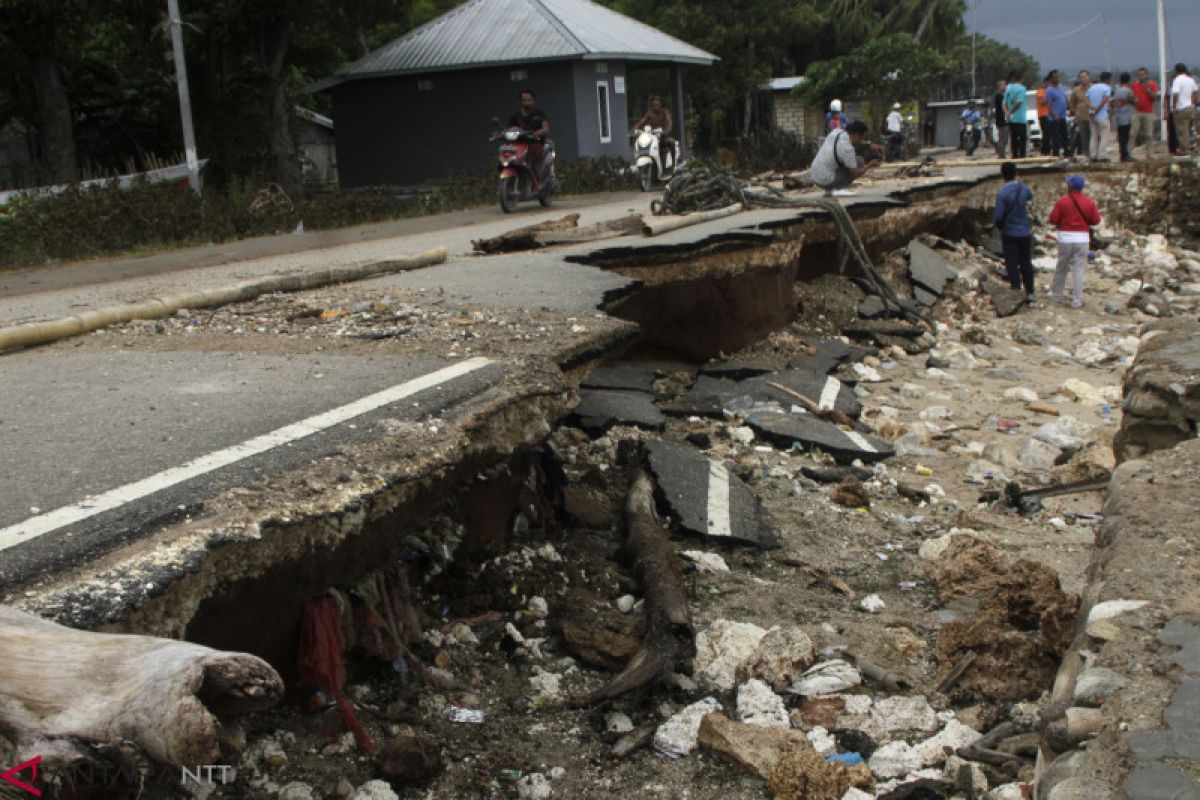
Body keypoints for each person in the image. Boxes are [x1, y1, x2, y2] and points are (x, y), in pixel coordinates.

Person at [1048, 175, 1101, 309]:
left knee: (1062, 267)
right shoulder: (1089, 202)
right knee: (1078, 270)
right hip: (1082, 238)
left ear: (1071, 186)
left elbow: (1053, 219)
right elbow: (1096, 220)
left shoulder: (1062, 202)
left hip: (1065, 237)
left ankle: (1056, 296)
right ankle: (1077, 301)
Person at [994, 161, 1036, 297]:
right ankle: (1030, 291)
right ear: (1016, 173)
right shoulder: (1023, 189)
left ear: (1002, 175)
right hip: (1024, 231)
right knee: (1026, 262)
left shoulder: (1002, 193)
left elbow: (998, 215)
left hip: (1009, 232)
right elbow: (1030, 196)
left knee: (1011, 262)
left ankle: (1016, 290)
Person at [811, 119, 880, 196]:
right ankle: (835, 190)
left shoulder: (837, 132)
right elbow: (855, 173)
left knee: (856, 160)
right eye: (861, 137)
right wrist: (869, 165)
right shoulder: (847, 149)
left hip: (815, 175)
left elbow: (856, 140)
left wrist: (868, 144)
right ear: (856, 134)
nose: (861, 140)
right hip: (825, 180)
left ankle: (830, 189)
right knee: (859, 162)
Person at [509, 89, 550, 184]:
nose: (527, 102)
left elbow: (546, 128)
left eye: (529, 100)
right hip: (518, 145)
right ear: (520, 101)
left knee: (530, 159)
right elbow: (509, 129)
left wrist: (538, 133)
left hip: (535, 143)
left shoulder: (539, 114)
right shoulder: (515, 116)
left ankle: (538, 183)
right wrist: (500, 133)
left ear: (533, 100)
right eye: (524, 100)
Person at [632, 95, 675, 168]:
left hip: (662, 136)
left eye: (657, 104)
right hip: (652, 137)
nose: (656, 106)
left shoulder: (665, 112)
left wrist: (666, 130)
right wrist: (633, 130)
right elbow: (642, 122)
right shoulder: (650, 113)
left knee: (671, 143)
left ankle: (673, 164)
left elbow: (669, 122)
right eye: (654, 105)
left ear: (660, 104)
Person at [1131, 67, 1159, 158]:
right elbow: (1132, 96)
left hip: (1148, 112)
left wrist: (1148, 89)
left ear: (1146, 75)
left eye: (1143, 74)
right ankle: (1129, 153)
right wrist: (1134, 100)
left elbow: (1154, 98)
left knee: (1149, 134)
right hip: (1137, 111)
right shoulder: (1135, 85)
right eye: (1139, 75)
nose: (1141, 76)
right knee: (1133, 132)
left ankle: (1149, 153)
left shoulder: (1152, 84)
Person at [1171, 63, 1197, 155]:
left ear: (1177, 70)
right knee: (1187, 128)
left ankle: (1184, 149)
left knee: (1181, 130)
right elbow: (1196, 92)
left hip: (1181, 107)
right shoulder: (1190, 80)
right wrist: (1193, 102)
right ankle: (1188, 147)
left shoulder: (1177, 80)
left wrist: (1174, 105)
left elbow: (1175, 94)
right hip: (1189, 106)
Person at [1087, 71, 1113, 161]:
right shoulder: (1106, 88)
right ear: (1108, 79)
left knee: (1093, 135)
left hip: (1091, 115)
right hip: (1102, 115)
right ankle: (1102, 155)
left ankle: (1093, 155)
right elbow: (1105, 100)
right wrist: (1097, 110)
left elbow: (1086, 99)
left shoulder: (1091, 88)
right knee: (1104, 135)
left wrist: (1092, 108)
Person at [1044, 70, 1069, 157]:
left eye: (1058, 77)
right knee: (1055, 137)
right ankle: (1056, 153)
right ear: (1051, 78)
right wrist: (1054, 114)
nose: (1057, 79)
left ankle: (1066, 152)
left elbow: (1064, 99)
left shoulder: (1061, 87)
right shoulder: (1049, 90)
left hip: (1063, 116)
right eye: (1055, 77)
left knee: (1065, 135)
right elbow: (1049, 104)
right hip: (1054, 118)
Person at [1112, 73, 1136, 162]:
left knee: (1121, 136)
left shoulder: (1116, 90)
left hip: (1118, 116)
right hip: (1126, 116)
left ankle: (1122, 154)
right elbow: (1134, 100)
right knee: (1125, 137)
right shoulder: (1128, 91)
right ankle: (1125, 155)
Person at [1004, 73, 1029, 158]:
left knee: (1013, 138)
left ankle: (1014, 156)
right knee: (1022, 139)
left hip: (1011, 119)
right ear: (1021, 79)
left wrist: (1007, 113)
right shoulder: (1022, 88)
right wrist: (1011, 112)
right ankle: (1022, 156)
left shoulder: (1008, 88)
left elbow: (1004, 103)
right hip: (1020, 118)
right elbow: (1018, 102)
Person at [1070, 71, 1093, 159]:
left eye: (1085, 76)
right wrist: (1074, 112)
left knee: (1093, 136)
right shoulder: (1076, 90)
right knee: (1084, 137)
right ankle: (1086, 154)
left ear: (1089, 77)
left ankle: (1094, 154)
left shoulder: (1093, 88)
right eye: (1081, 77)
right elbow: (1072, 103)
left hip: (1092, 117)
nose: (1083, 79)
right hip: (1081, 117)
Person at [1036, 76, 1052, 155]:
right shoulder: (1041, 91)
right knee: (1046, 134)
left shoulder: (1049, 91)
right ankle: (1045, 150)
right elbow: (1041, 102)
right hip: (1043, 115)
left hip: (1049, 115)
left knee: (1048, 134)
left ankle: (1047, 150)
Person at [994, 79, 1009, 157]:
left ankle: (1001, 153)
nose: (1005, 86)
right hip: (1001, 120)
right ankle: (1001, 154)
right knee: (1003, 138)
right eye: (1003, 85)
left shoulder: (1000, 95)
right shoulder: (999, 96)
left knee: (1004, 138)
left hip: (1002, 119)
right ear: (999, 86)